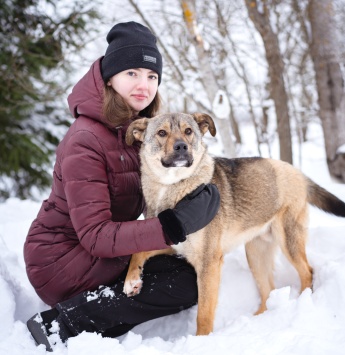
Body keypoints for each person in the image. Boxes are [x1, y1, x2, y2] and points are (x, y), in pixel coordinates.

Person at [24, 21, 220, 352]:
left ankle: (98, 318)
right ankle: (61, 324)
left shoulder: (138, 128)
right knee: (182, 284)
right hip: (61, 262)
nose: (144, 85)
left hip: (103, 252)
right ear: (109, 76)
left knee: (187, 271)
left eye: (152, 76)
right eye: (132, 73)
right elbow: (96, 235)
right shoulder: (85, 140)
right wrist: (174, 225)